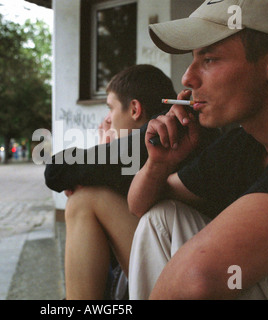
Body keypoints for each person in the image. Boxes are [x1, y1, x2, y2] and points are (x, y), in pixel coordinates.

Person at [127, 0, 268, 299]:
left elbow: (197, 276)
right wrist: (159, 164)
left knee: (202, 271)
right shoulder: (244, 142)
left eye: (209, 59)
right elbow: (140, 206)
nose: (187, 78)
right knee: (162, 217)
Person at [44, 65, 220, 299]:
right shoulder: (175, 131)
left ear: (135, 109)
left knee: (84, 201)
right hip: (194, 262)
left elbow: (56, 171)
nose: (107, 119)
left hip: (190, 271)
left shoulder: (162, 133)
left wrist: (104, 151)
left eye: (110, 108)